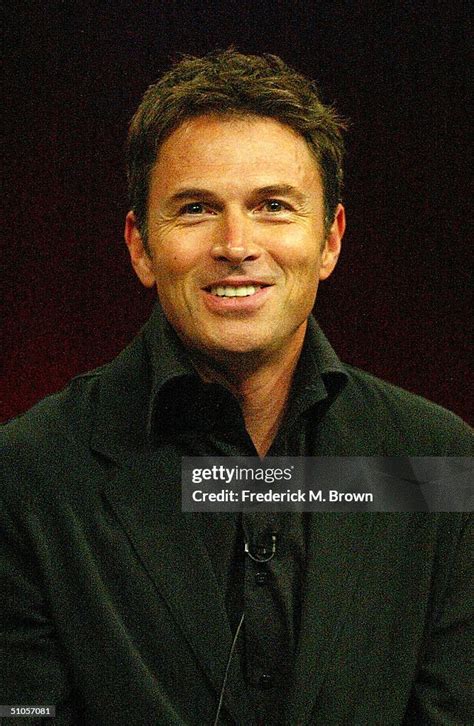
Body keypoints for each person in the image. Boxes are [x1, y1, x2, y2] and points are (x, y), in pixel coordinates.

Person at [1, 50, 472, 726]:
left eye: (273, 206)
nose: (236, 243)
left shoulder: (440, 465)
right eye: (196, 209)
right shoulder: (27, 476)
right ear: (140, 246)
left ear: (330, 239)